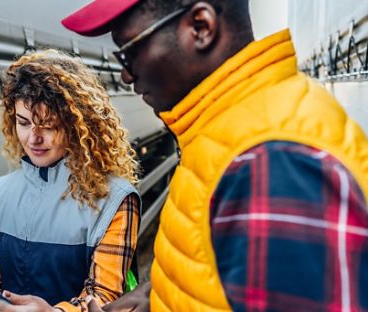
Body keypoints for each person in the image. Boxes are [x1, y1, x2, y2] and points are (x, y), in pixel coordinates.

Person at [60, 0, 368, 311]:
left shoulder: (273, 164)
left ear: (201, 26)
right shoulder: (232, 132)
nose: (126, 75)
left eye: (129, 52)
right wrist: (157, 295)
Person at [0, 49, 141, 312]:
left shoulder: (114, 197)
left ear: (76, 124)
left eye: (49, 125)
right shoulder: (5, 189)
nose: (33, 138)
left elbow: (105, 296)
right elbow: (3, 273)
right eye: (23, 123)